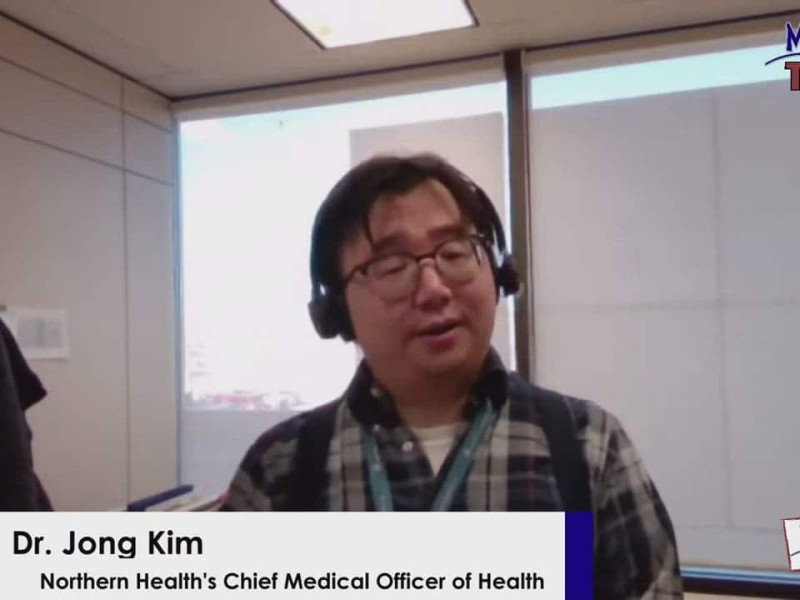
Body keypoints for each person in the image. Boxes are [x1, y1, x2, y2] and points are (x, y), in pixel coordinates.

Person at [222, 153, 682, 597]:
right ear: (336, 310)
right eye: (392, 266)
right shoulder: (281, 469)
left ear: (498, 274)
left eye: (456, 252)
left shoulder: (588, 447)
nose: (434, 289)